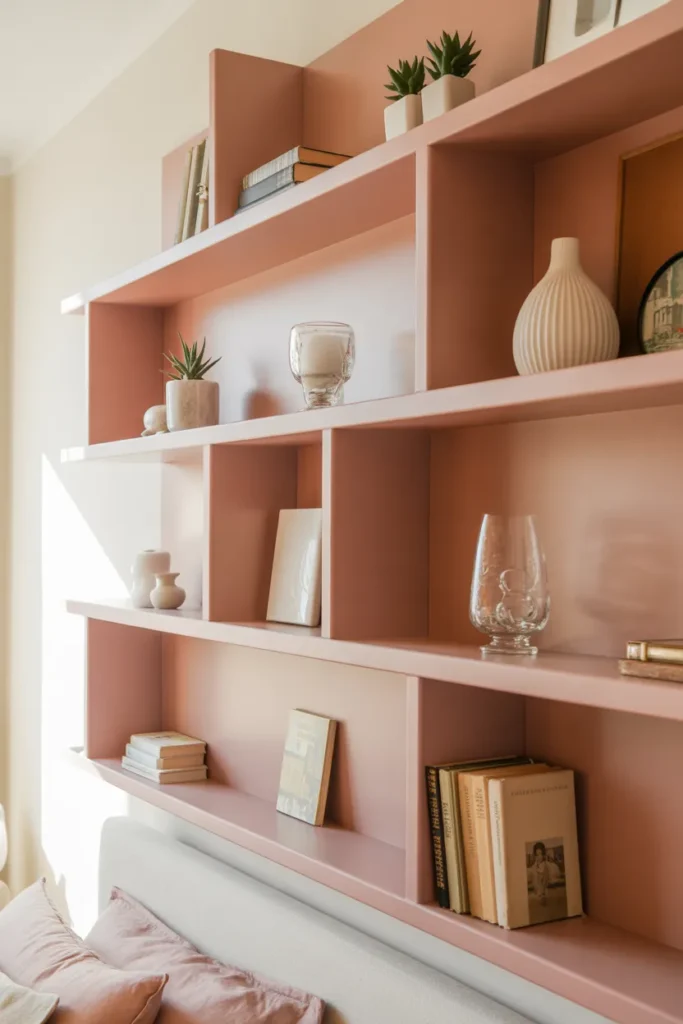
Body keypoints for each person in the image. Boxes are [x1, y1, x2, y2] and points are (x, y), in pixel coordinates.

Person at [529, 841, 550, 905]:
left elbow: (545, 881)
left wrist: (542, 893)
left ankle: (541, 896)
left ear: (543, 855)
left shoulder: (545, 866)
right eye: (537, 855)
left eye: (540, 854)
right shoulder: (534, 867)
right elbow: (533, 880)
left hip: (543, 890)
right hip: (536, 891)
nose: (539, 857)